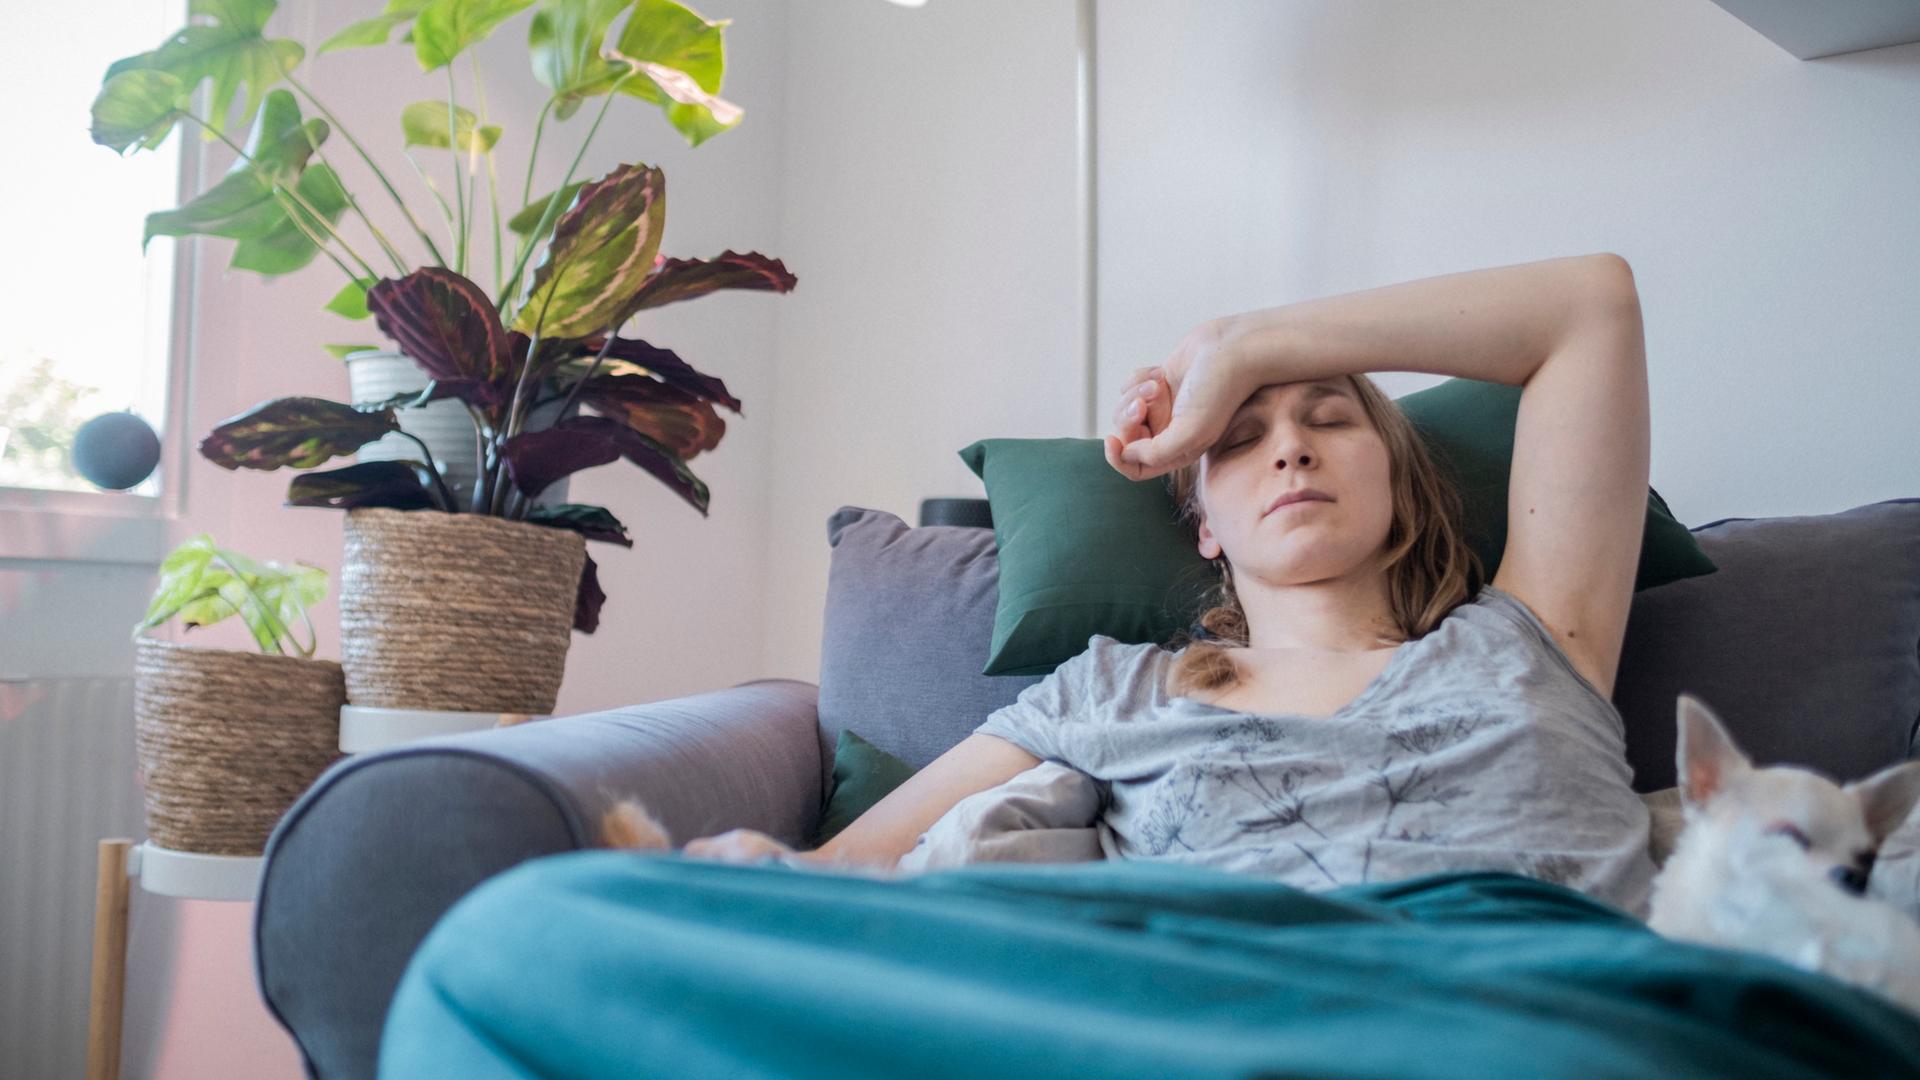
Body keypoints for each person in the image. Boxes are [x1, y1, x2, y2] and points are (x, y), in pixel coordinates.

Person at [686, 252, 1656, 915]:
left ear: (1397, 479)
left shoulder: (1533, 638)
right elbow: (848, 864)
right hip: (1215, 1022)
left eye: (1330, 419)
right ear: (1204, 530)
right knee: (554, 916)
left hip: (1538, 1008)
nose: (1291, 452)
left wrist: (1238, 345)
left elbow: (1592, 305)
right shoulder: (1114, 691)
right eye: (1238, 438)